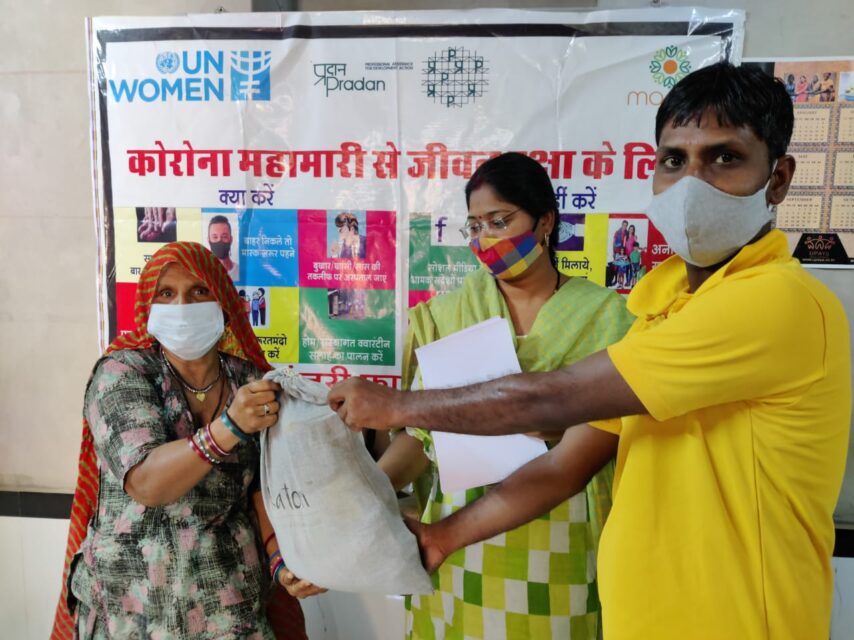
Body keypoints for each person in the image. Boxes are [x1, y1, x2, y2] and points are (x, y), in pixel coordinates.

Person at [328, 63, 851, 639]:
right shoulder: (661, 312)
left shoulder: (775, 301)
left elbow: (547, 401)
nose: (691, 184)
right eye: (673, 160)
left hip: (735, 622)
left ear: (778, 178)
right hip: (641, 618)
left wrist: (395, 405)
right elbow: (565, 464)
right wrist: (442, 535)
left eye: (724, 157)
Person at [376, 152, 634, 640]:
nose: (486, 239)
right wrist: (369, 492)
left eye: (500, 221)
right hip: (453, 541)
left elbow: (599, 446)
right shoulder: (448, 315)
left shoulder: (607, 318)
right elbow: (421, 437)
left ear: (545, 222)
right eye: (475, 226)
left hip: (561, 539)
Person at [51, 242, 321, 640]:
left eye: (199, 291)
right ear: (148, 308)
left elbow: (264, 488)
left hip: (229, 607)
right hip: (132, 610)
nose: (182, 306)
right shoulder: (122, 373)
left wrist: (282, 560)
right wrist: (229, 426)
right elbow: (147, 482)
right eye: (166, 293)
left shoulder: (249, 380)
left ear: (223, 304)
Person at [208, 215, 240, 280]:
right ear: (209, 240)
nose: (219, 240)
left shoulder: (239, 271)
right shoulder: (204, 272)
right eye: (215, 237)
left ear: (231, 240)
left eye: (224, 237)